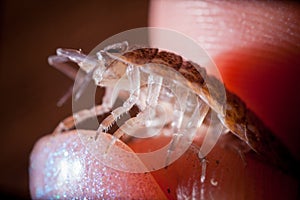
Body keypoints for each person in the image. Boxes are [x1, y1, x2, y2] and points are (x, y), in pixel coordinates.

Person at [30, 1, 300, 199]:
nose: (103, 77)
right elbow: (118, 106)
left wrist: (109, 133)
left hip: (232, 123)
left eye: (108, 67)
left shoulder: (153, 72)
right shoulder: (141, 75)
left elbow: (137, 111)